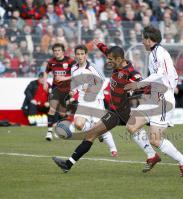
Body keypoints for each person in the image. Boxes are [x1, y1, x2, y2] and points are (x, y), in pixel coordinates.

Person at [52, 40, 160, 173]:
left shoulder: (131, 72)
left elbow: (145, 85)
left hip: (120, 111)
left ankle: (168, 157)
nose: (108, 62)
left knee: (99, 133)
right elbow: (108, 52)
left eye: (110, 59)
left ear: (118, 59)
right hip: (115, 110)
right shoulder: (117, 63)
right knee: (97, 133)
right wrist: (99, 44)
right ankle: (68, 164)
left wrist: (146, 95)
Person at [124, 25, 183, 177]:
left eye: (143, 39)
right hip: (154, 96)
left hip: (163, 100)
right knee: (131, 126)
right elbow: (168, 76)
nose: (142, 42)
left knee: (155, 139)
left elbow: (161, 74)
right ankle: (151, 155)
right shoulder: (155, 53)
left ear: (149, 40)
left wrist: (139, 85)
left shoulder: (159, 52)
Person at [56, 44, 118, 157]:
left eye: (82, 54)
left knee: (99, 126)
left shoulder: (92, 67)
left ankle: (113, 149)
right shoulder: (73, 68)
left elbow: (104, 82)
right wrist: (73, 92)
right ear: (75, 55)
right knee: (79, 125)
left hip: (96, 100)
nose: (80, 56)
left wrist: (91, 88)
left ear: (86, 55)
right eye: (78, 54)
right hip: (83, 101)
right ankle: (97, 133)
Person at [44, 43, 76, 141]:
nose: (57, 52)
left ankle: (60, 130)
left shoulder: (70, 61)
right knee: (52, 109)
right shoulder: (51, 62)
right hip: (56, 89)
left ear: (63, 51)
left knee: (62, 113)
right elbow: (46, 72)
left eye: (59, 50)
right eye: (55, 51)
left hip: (67, 90)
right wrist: (45, 83)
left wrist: (64, 78)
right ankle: (49, 132)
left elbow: (76, 74)